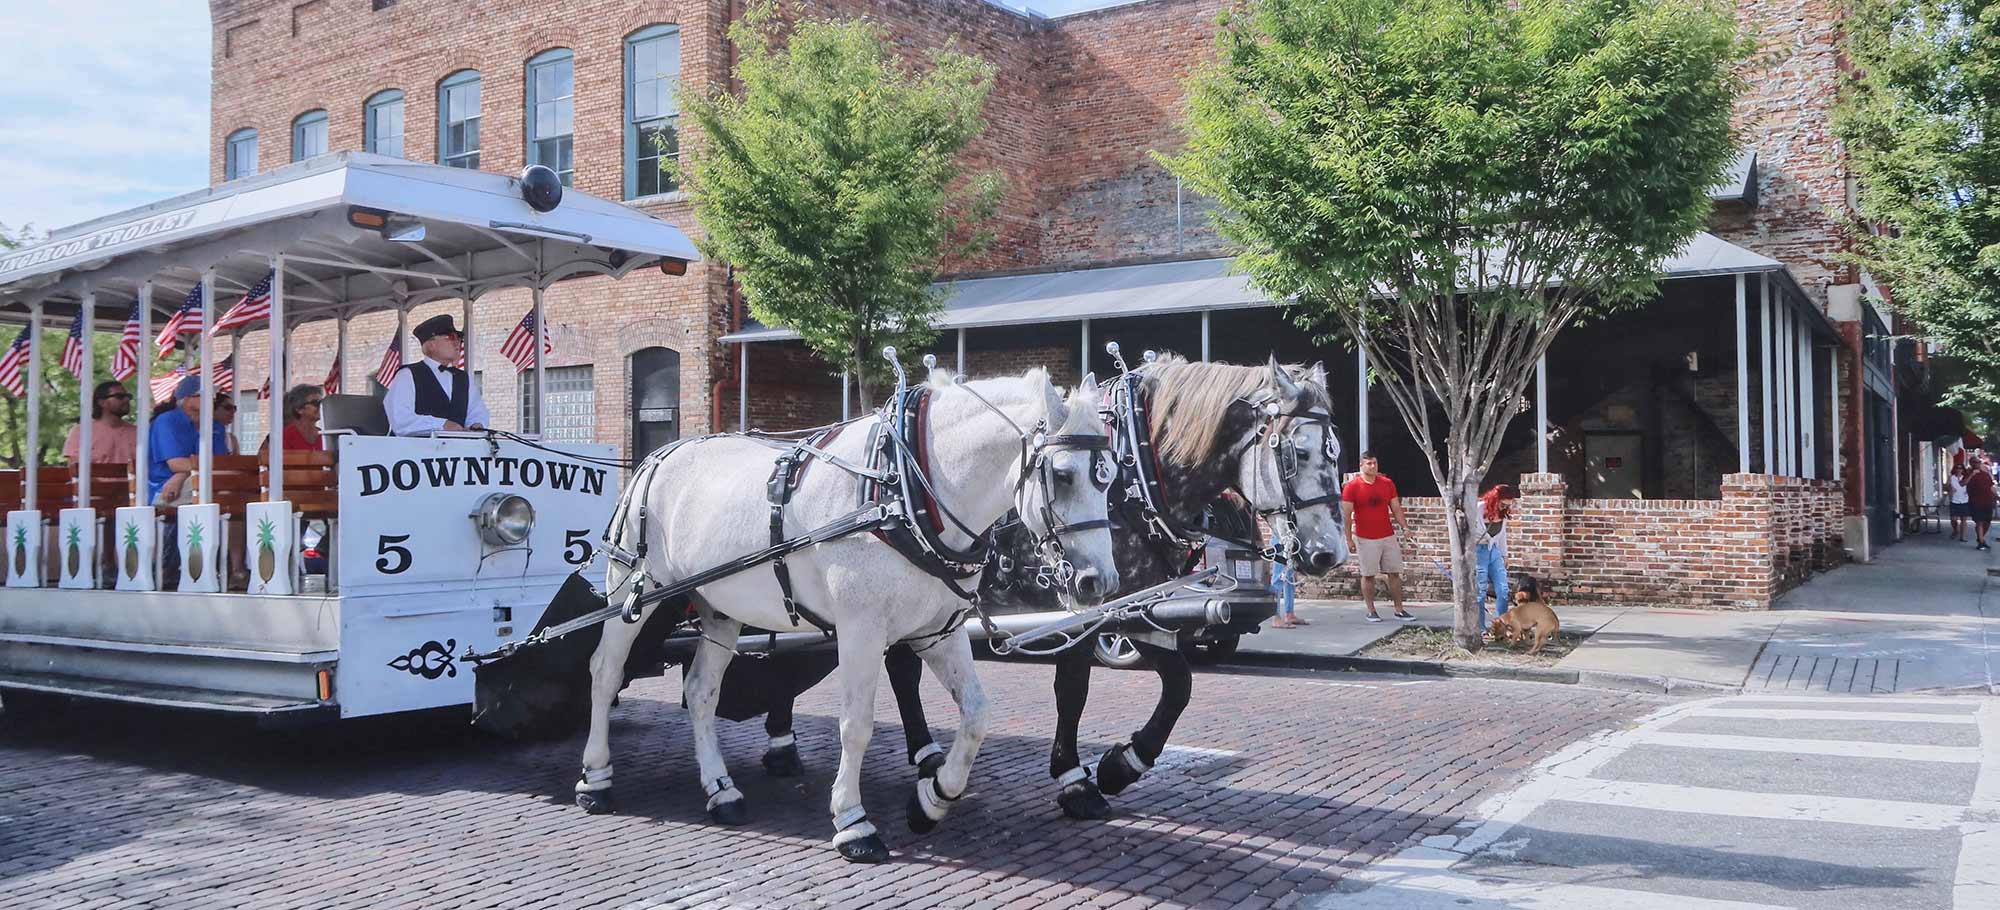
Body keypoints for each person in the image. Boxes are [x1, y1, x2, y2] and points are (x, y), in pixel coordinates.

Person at [385, 314, 489, 436]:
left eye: (459, 338)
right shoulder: (408, 375)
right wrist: (442, 425)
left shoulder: (464, 379)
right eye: (451, 337)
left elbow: (476, 411)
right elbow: (400, 418)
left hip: (459, 451)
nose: (457, 343)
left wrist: (476, 424)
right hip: (417, 452)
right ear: (431, 345)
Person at [1342, 451, 1414, 622]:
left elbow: (1396, 508)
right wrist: (1349, 539)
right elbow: (1346, 515)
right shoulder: (1352, 487)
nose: (1372, 466)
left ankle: (1399, 609)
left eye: (1374, 463)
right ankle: (1371, 610)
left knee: (1394, 572)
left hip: (1387, 535)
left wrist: (1405, 527)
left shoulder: (1387, 484)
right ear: (1361, 466)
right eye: (1368, 463)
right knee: (1368, 575)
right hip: (1365, 537)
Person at [146, 376, 233, 505]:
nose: (212, 399)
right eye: (205, 394)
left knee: (234, 484)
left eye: (213, 395)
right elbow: (177, 464)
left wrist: (181, 475)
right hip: (164, 487)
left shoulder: (215, 426)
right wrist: (183, 473)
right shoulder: (167, 421)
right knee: (212, 485)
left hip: (194, 479)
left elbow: (221, 462)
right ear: (186, 399)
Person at [1471, 483, 1520, 632]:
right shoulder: (1479, 508)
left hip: (1495, 552)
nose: (1505, 508)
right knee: (1480, 592)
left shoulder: (1503, 514)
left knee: (1503, 590)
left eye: (1508, 505)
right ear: (1495, 499)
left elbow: (1502, 536)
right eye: (1503, 504)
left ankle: (1502, 626)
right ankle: (1480, 628)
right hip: (1478, 551)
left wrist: (1505, 555)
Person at [63, 380, 139, 468]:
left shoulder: (138, 433)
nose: (126, 400)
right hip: (93, 482)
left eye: (128, 396)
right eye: (120, 396)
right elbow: (74, 471)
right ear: (102, 402)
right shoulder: (81, 432)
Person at [259, 384, 324, 455]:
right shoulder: (282, 436)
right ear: (299, 409)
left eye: (322, 403)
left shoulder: (324, 435)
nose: (321, 407)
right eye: (316, 403)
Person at [1967, 454, 1996, 551]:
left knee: (1987, 522)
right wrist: (1972, 474)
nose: (1977, 464)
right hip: (1976, 502)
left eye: (1979, 462)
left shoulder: (1985, 474)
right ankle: (1981, 541)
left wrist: (1997, 497)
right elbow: (1962, 483)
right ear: (1971, 464)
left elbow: (1991, 487)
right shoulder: (1969, 473)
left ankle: (1980, 539)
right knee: (1979, 522)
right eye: (1975, 462)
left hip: (1988, 501)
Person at [1949, 465, 1971, 541]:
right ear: (1954, 469)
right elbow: (1947, 486)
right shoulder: (1952, 477)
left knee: (1963, 519)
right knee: (1953, 519)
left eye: (1960, 468)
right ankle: (1955, 530)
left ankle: (1963, 536)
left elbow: (1969, 486)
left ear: (1963, 470)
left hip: (1964, 500)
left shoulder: (1965, 478)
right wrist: (1950, 490)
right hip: (1954, 500)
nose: (1959, 470)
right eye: (1957, 468)